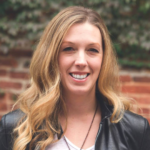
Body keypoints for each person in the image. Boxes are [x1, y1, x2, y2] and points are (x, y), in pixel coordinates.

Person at [0, 6, 150, 150]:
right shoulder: (14, 128)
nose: (81, 62)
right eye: (68, 49)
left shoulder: (135, 130)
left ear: (104, 59)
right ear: (51, 57)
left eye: (92, 50)